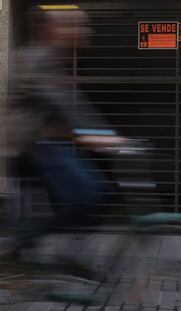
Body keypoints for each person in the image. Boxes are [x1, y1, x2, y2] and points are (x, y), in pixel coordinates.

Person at [4, 7, 124, 259]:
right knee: (86, 197)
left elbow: (77, 105)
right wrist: (94, 134)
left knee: (101, 194)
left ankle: (63, 254)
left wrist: (102, 133)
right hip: (31, 146)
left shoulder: (59, 59)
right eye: (72, 25)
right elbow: (59, 100)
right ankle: (22, 241)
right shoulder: (37, 58)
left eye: (82, 24)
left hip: (50, 144)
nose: (81, 30)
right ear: (50, 29)